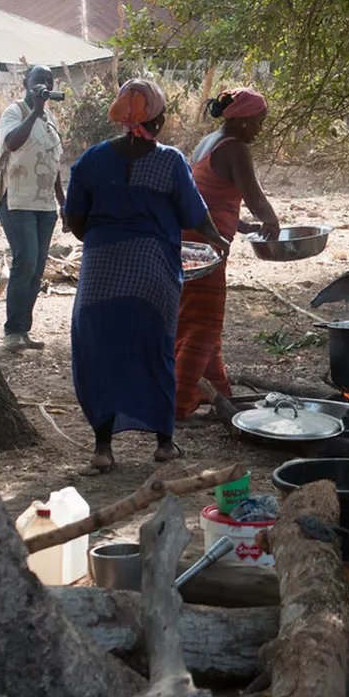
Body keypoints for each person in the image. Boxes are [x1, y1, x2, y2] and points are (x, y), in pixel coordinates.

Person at [64, 79, 230, 469]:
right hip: (153, 272)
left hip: (100, 274)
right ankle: (163, 444)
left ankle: (103, 448)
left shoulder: (91, 160)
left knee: (100, 354)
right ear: (160, 120)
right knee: (156, 352)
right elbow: (196, 214)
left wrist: (104, 243)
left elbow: (74, 219)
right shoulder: (170, 160)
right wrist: (217, 239)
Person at [174, 88, 282, 419]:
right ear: (243, 120)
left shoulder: (207, 143)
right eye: (259, 123)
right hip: (207, 248)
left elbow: (210, 198)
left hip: (190, 240)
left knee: (195, 319)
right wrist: (272, 221)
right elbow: (256, 198)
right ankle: (179, 403)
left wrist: (244, 227)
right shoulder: (234, 148)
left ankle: (216, 394)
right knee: (203, 325)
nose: (260, 130)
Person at [0, 65, 67, 350]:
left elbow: (53, 162)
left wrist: (62, 202)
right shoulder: (15, 112)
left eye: (48, 81)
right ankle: (12, 331)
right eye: (38, 80)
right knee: (26, 261)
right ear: (26, 83)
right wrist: (35, 110)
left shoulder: (51, 119)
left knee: (36, 268)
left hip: (45, 205)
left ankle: (23, 330)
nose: (44, 85)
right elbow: (11, 143)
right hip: (16, 201)